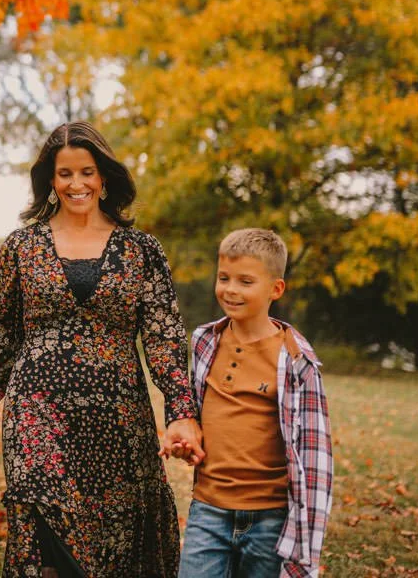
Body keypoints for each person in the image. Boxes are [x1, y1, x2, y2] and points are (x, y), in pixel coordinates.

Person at [0, 120, 203, 578]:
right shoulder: (22, 246)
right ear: (50, 180)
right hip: (37, 412)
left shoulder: (142, 250)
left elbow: (164, 337)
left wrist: (181, 410)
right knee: (43, 523)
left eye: (86, 172)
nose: (76, 183)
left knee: (117, 544)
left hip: (119, 419)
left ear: (104, 177)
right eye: (65, 173)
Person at [167, 228, 334, 578]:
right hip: (208, 509)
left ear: (275, 289)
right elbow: (199, 416)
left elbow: (316, 457)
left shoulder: (296, 360)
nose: (230, 289)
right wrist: (187, 442)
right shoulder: (204, 341)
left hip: (269, 518)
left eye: (245, 281)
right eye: (224, 277)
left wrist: (307, 546)